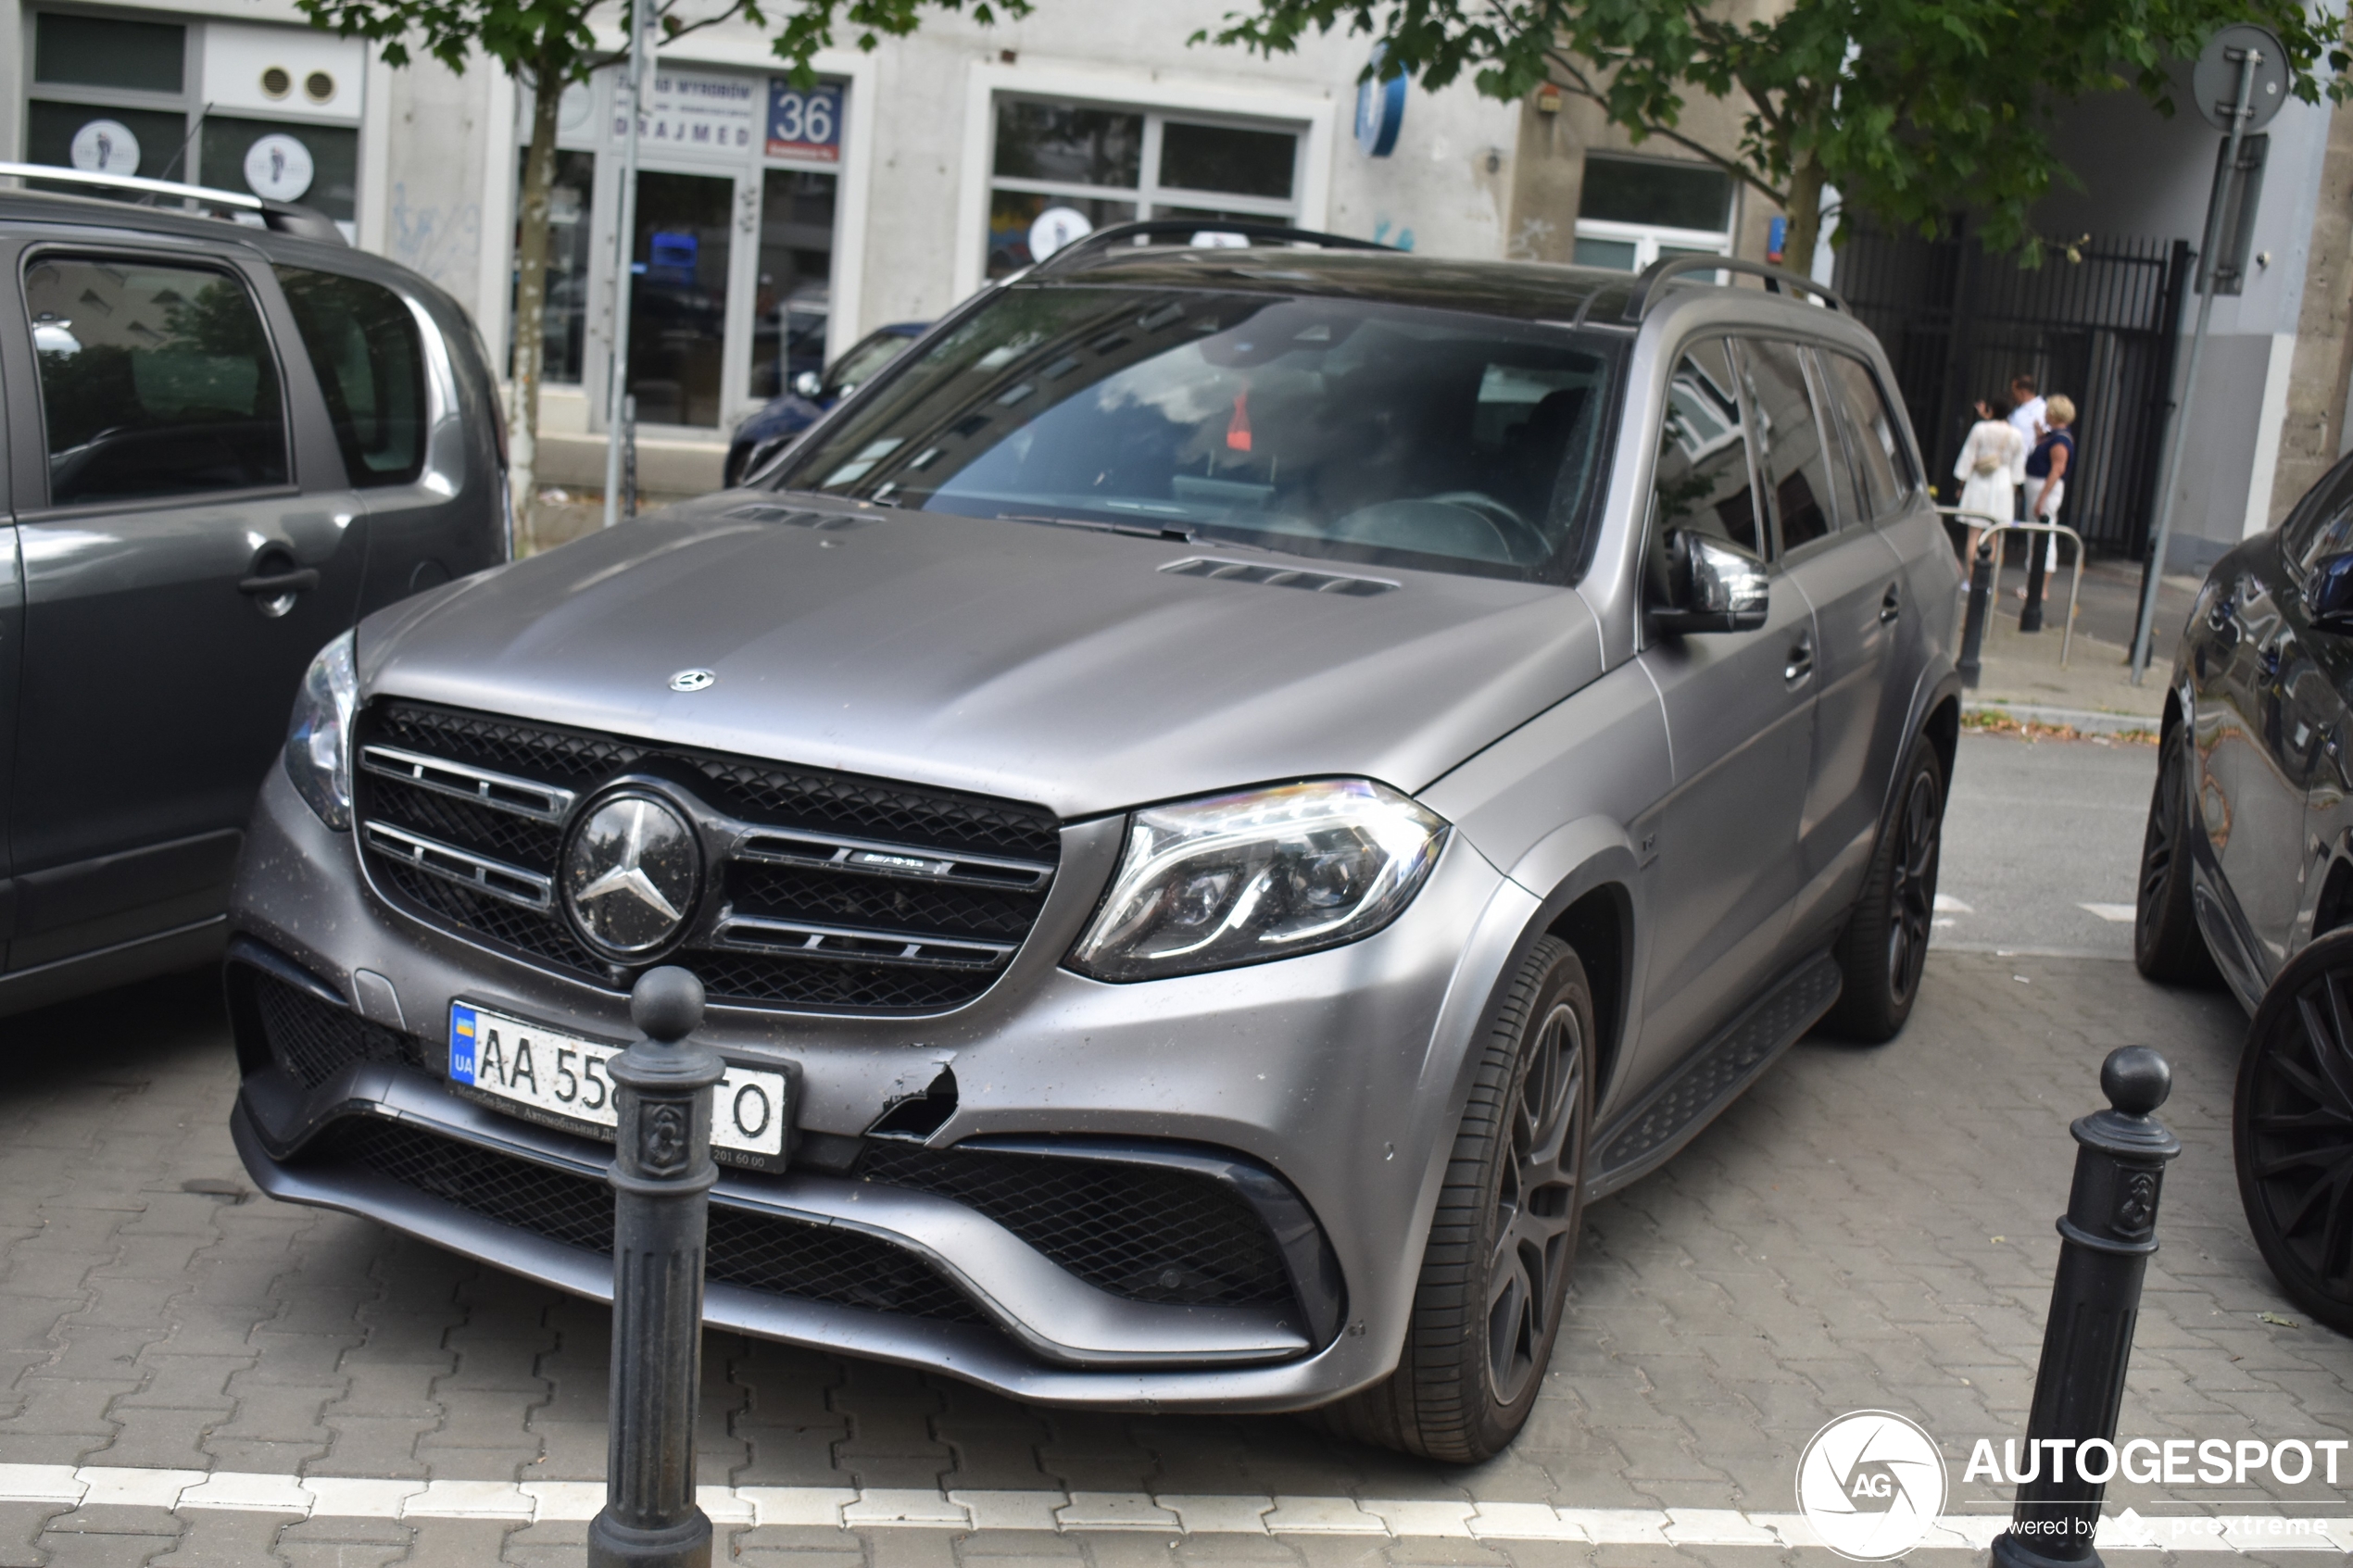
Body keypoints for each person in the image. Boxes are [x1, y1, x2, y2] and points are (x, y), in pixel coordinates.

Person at [1952, 398, 2025, 550]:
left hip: (1979, 479)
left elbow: (1968, 456)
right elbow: (2018, 466)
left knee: (1974, 534)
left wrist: (1961, 482)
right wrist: (2016, 486)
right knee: (1996, 535)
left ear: (1991, 410)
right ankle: (1991, 572)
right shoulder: (2016, 434)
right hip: (2003, 481)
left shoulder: (1980, 429)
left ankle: (1972, 573)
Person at [2025, 395, 2075, 523]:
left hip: (2043, 486)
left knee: (2043, 528)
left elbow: (2057, 469)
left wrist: (2043, 497)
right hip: (2036, 485)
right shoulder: (2052, 436)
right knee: (2034, 529)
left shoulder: (2060, 440)